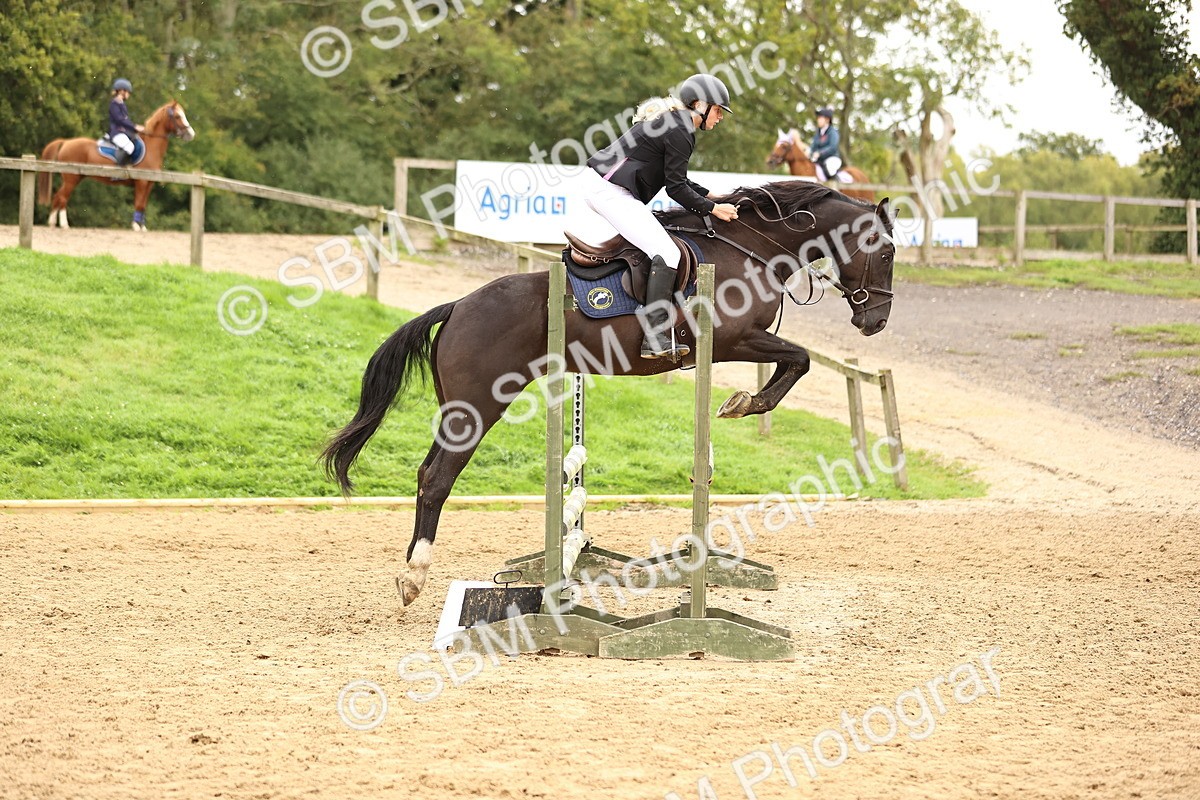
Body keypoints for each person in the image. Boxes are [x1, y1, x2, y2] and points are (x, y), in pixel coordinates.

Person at [584, 74, 739, 360]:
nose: (720, 119)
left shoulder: (676, 123)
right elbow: (676, 188)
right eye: (718, 111)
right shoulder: (681, 129)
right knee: (667, 252)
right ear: (700, 104)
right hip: (610, 191)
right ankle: (653, 338)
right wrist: (712, 209)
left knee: (659, 247)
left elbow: (678, 180)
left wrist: (712, 197)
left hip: (607, 188)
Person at [108, 78, 144, 166]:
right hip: (116, 132)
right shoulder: (114, 104)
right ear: (121, 91)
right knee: (129, 147)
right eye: (128, 92)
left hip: (123, 132)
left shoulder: (121, 104)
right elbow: (120, 120)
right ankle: (117, 172)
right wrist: (134, 126)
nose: (129, 94)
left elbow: (126, 120)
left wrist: (135, 128)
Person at [810, 107, 842, 183]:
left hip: (832, 158)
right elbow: (813, 147)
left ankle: (836, 189)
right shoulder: (818, 133)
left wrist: (820, 153)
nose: (818, 120)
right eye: (818, 118)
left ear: (827, 120)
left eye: (820, 118)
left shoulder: (833, 132)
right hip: (819, 160)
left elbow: (832, 147)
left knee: (830, 169)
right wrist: (811, 153)